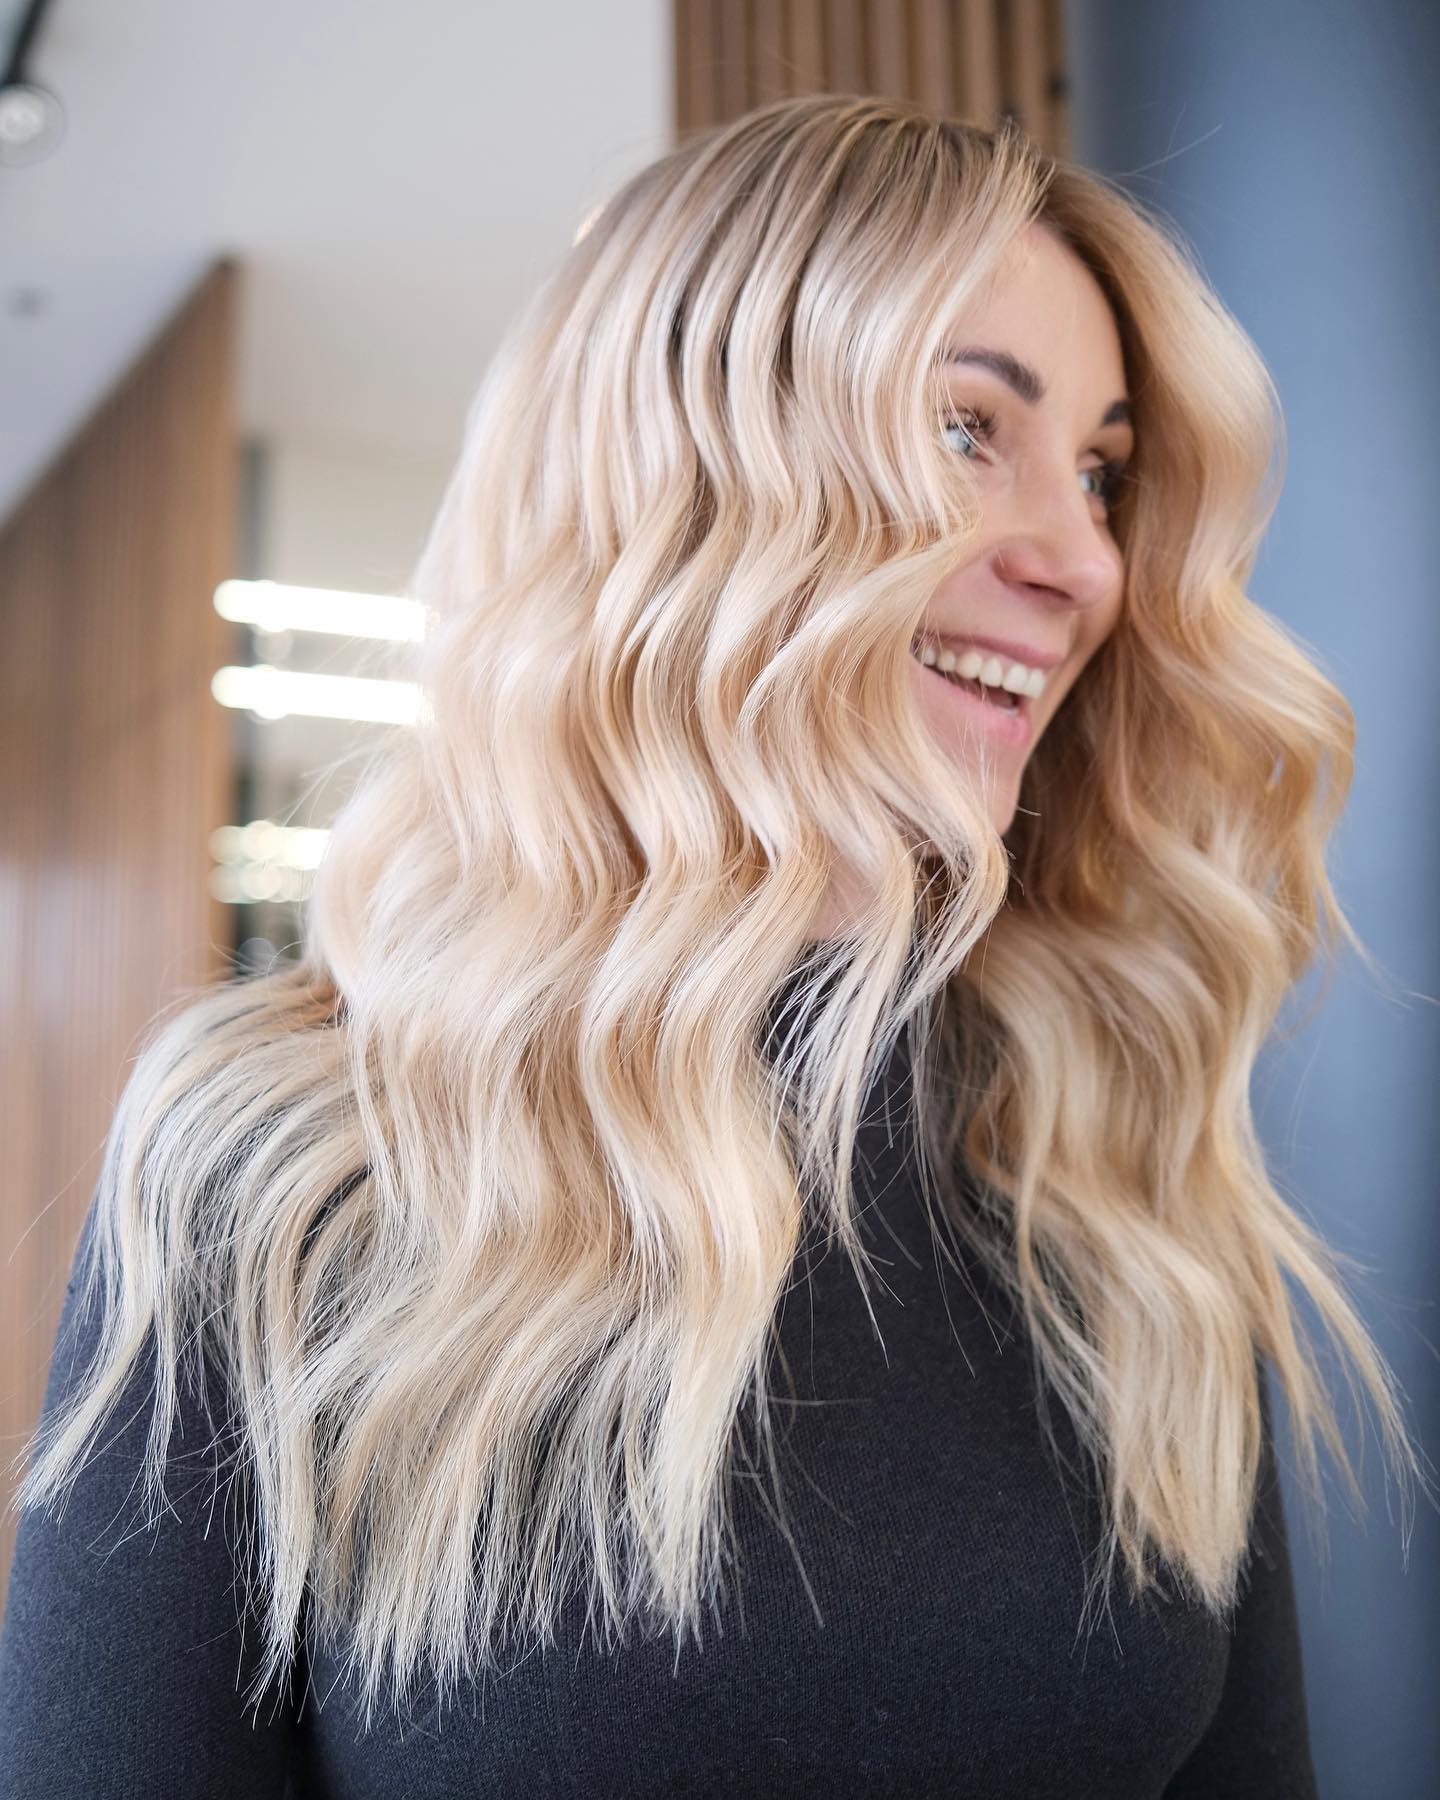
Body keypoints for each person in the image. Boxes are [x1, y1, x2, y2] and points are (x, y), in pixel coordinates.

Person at [0, 94, 1428, 1798]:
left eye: (1105, 472)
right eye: (975, 429)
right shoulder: (286, 1176)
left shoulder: (1115, 1176)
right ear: (695, 477)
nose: (1083, 560)